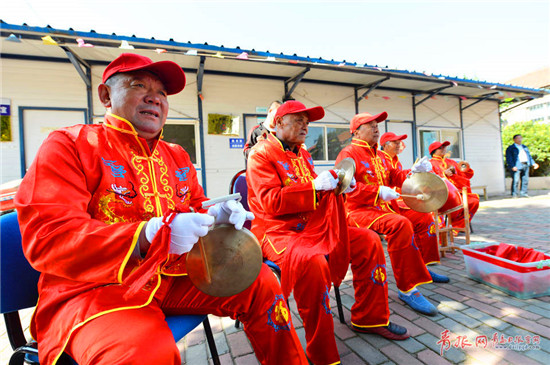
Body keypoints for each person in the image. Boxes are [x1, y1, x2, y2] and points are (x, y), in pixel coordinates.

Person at [14, 53, 308, 365]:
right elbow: (49, 237)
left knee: (261, 281)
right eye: (138, 84)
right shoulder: (70, 144)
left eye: (163, 93)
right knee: (145, 353)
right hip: (97, 289)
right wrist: (146, 235)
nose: (154, 98)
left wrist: (216, 220)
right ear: (105, 95)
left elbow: (195, 209)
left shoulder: (178, 155)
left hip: (174, 274)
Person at [247, 101, 409, 365]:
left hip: (311, 226)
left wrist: (338, 184)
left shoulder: (304, 154)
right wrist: (313, 188)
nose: (305, 126)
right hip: (277, 232)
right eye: (298, 120)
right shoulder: (261, 153)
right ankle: (321, 352)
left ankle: (369, 317)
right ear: (278, 123)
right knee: (312, 264)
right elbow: (270, 201)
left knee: (368, 240)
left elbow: (318, 190)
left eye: (307, 122)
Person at [335, 112, 446, 317]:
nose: (377, 128)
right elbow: (343, 188)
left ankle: (421, 267)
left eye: (377, 125)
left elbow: (395, 176)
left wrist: (414, 171)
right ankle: (407, 288)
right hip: (357, 211)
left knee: (423, 218)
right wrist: (376, 192)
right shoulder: (348, 154)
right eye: (370, 125)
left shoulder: (379, 156)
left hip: (384, 209)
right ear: (356, 131)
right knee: (400, 224)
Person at [429, 141, 479, 229]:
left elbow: (465, 173)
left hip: (458, 193)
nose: (444, 149)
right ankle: (454, 227)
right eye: (441, 148)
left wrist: (464, 167)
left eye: (444, 147)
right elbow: (429, 180)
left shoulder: (451, 161)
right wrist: (444, 174)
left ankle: (458, 226)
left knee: (473, 201)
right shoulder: (430, 163)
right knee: (456, 204)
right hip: (443, 195)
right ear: (434, 151)